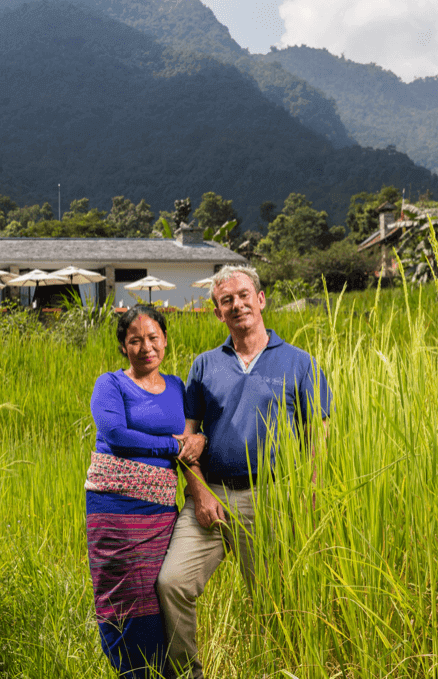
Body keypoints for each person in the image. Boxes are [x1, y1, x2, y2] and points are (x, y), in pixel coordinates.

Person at [156, 265, 332, 679]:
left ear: (261, 299)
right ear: (218, 313)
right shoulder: (203, 366)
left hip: (270, 498)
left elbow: (317, 438)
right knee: (172, 583)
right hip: (211, 495)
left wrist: (309, 496)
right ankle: (187, 674)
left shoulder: (300, 362)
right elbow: (188, 437)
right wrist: (198, 493)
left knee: (275, 601)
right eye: (226, 300)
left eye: (243, 295)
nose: (237, 304)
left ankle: (280, 669)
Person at [86, 305, 194, 678]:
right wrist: (172, 445)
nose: (146, 347)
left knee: (161, 595)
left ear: (165, 341)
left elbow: (193, 438)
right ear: (123, 348)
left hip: (161, 513)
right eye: (135, 340)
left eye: (153, 338)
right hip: (117, 510)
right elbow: (116, 435)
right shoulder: (111, 384)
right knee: (127, 598)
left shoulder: (179, 387)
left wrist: (195, 443)